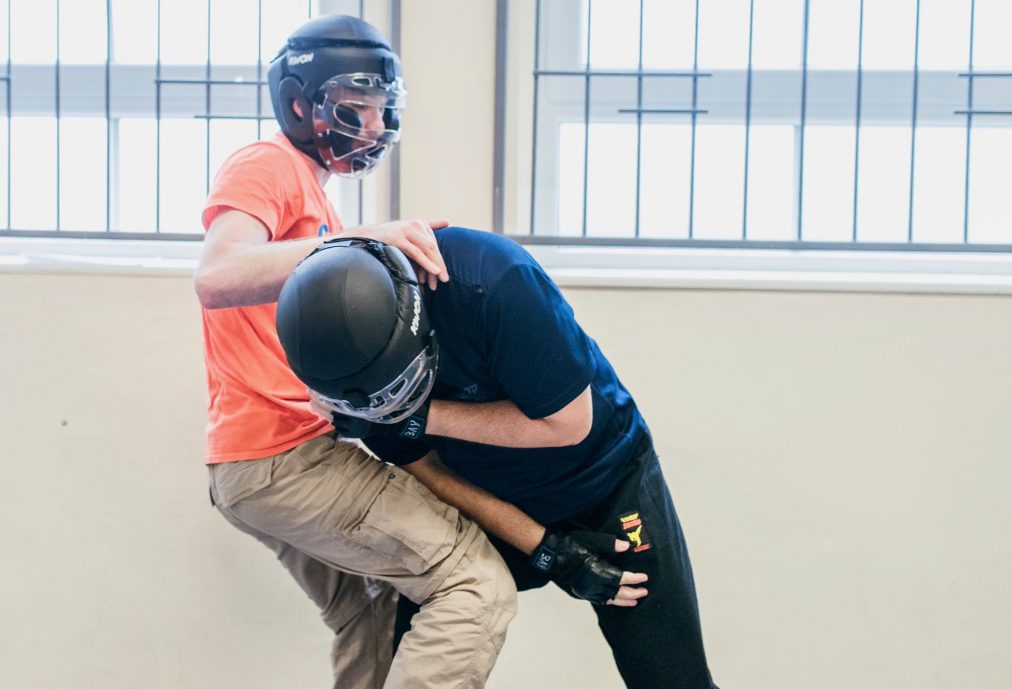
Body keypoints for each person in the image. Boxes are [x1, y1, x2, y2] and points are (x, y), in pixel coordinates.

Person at [194, 15, 526, 689]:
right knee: (475, 582)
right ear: (298, 101)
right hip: (280, 456)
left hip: (263, 461)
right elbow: (217, 276)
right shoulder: (268, 163)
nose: (372, 128)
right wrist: (362, 242)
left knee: (371, 607)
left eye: (382, 112)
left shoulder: (319, 200)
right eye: (355, 109)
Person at [276, 229, 721, 689]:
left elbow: (568, 423)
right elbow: (427, 470)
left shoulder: (494, 281)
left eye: (402, 393)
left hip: (605, 479)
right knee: (418, 644)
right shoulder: (350, 382)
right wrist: (547, 551)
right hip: (485, 493)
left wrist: (420, 417)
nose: (392, 407)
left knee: (673, 678)